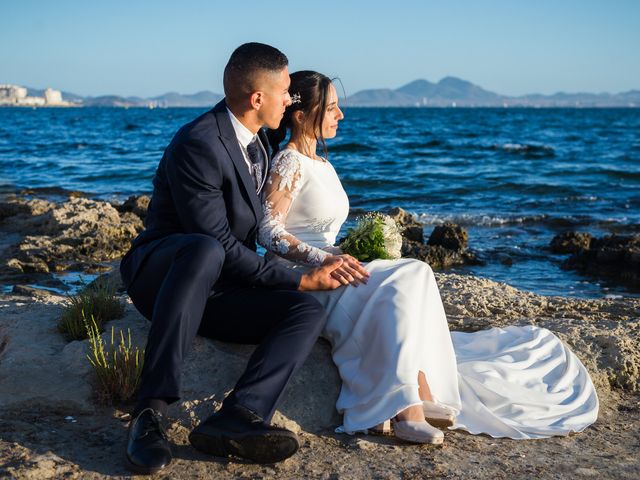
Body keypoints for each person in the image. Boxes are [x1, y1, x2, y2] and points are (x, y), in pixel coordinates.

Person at [259, 70, 599, 445]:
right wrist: (323, 258)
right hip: (306, 277)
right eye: (333, 108)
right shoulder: (288, 161)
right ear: (301, 115)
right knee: (401, 279)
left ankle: (418, 390)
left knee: (417, 272)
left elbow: (321, 231)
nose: (341, 116)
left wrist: (346, 251)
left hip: (335, 263)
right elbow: (269, 233)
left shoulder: (321, 163)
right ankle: (407, 412)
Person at [119, 45, 345, 474]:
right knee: (205, 250)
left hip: (220, 287)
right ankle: (148, 413)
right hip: (166, 277)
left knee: (304, 312)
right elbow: (216, 239)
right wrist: (299, 277)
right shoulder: (199, 143)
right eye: (285, 91)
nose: (291, 99)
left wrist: (306, 277)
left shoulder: (260, 140)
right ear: (256, 98)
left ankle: (238, 417)